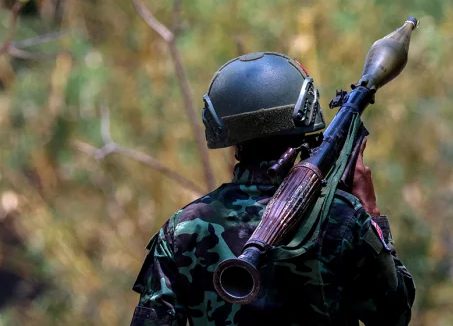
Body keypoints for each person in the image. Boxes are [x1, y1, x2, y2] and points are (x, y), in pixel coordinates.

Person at [129, 51, 415, 326]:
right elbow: (395, 315)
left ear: (228, 137)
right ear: (303, 124)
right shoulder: (342, 217)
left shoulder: (182, 231)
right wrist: (371, 212)